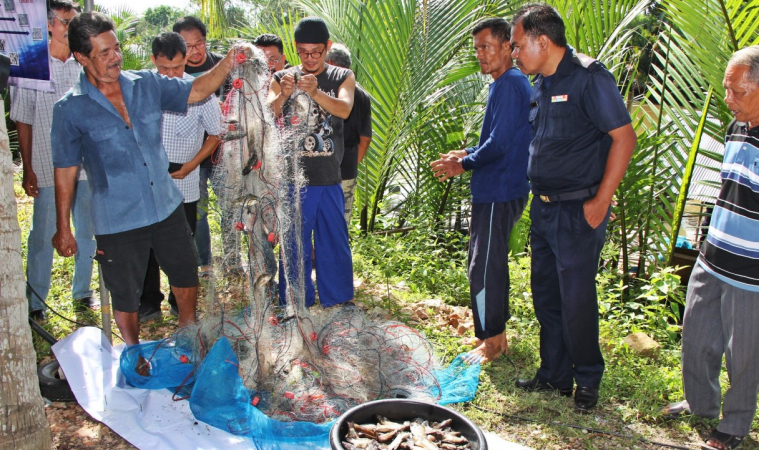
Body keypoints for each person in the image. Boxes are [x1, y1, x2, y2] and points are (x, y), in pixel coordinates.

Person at [50, 12, 249, 347]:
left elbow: (197, 89)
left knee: (185, 274)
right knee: (126, 295)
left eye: (115, 48)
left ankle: (187, 334)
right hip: (118, 217)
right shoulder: (70, 109)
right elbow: (66, 170)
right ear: (82, 57)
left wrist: (230, 61)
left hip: (166, 205)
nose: (114, 57)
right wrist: (64, 227)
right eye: (103, 53)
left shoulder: (145, 84)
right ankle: (132, 352)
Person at [509, 4, 636, 411]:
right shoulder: (541, 83)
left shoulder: (588, 77)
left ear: (542, 41)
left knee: (577, 299)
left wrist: (601, 200)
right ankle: (555, 374)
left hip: (579, 211)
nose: (514, 54)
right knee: (546, 295)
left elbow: (624, 138)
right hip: (544, 209)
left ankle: (587, 380)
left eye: (516, 45)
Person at [664, 46, 759, 450]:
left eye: (738, 91)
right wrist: (703, 244)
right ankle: (700, 403)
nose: (728, 100)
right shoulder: (737, 127)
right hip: (714, 254)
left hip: (751, 271)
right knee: (697, 336)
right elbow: (727, 190)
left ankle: (735, 423)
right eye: (726, 89)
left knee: (745, 355)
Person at [430, 18, 531, 364]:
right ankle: (494, 336)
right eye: (476, 49)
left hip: (499, 190)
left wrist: (463, 164)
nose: (480, 55)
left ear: (507, 47)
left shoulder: (509, 84)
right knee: (487, 264)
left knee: (483, 267)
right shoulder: (505, 84)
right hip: (496, 189)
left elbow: (499, 145)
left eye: (486, 47)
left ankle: (492, 341)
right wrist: (466, 153)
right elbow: (496, 140)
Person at [10, 0, 97, 322]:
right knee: (43, 233)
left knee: (87, 231)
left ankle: (83, 293)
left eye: (75, 24)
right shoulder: (31, 64)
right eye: (65, 22)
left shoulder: (82, 64)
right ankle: (37, 302)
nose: (71, 29)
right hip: (46, 165)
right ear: (49, 24)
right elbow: (22, 120)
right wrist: (28, 167)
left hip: (85, 164)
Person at [268, 17, 356, 308]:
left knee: (334, 245)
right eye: (303, 52)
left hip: (329, 176)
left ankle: (338, 300)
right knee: (294, 245)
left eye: (316, 51)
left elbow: (344, 109)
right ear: (295, 49)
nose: (309, 58)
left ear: (327, 47)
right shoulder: (282, 77)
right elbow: (267, 113)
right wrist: (284, 94)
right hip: (293, 180)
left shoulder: (342, 75)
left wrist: (315, 92)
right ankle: (295, 301)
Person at [138, 32, 223, 322]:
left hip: (185, 180)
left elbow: (215, 134)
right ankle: (148, 301)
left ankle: (179, 301)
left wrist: (191, 165)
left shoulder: (200, 91)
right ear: (153, 61)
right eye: (165, 69)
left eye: (177, 68)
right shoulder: (140, 88)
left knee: (182, 246)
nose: (172, 75)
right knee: (145, 244)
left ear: (186, 59)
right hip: (147, 180)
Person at [173, 16, 236, 276]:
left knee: (231, 206)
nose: (194, 51)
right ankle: (204, 263)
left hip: (224, 152)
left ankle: (233, 259)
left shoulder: (224, 66)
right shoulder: (174, 74)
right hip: (191, 156)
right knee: (198, 211)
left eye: (199, 44)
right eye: (187, 46)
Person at [324, 43, 372, 224]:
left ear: (329, 62)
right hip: (346, 170)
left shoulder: (322, 89)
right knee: (339, 226)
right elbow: (365, 139)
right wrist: (350, 163)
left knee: (315, 227)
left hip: (318, 171)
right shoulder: (362, 95)